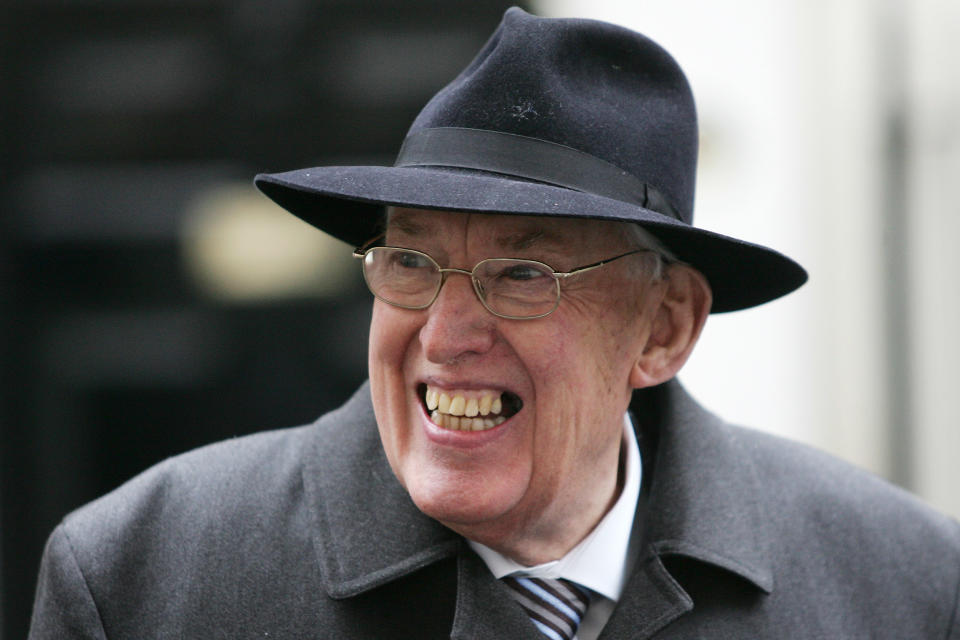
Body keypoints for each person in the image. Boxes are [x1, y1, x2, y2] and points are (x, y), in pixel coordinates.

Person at [30, 8, 959, 639]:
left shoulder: (900, 584)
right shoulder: (141, 578)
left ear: (663, 328)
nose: (443, 334)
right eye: (410, 262)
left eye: (523, 272)